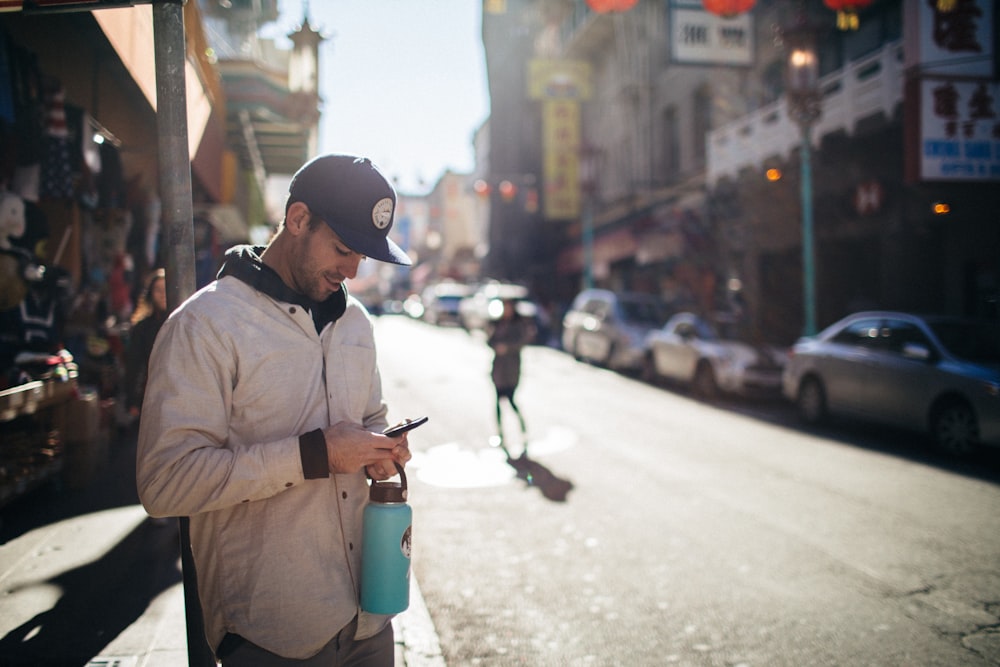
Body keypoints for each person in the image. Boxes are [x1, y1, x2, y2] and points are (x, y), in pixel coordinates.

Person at [135, 154, 414, 666]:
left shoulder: (356, 322)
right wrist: (315, 455)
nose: (353, 270)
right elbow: (164, 483)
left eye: (364, 258)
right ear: (298, 219)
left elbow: (371, 415)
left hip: (373, 616)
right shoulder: (206, 324)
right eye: (344, 249)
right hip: (274, 632)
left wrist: (382, 447)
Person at [487, 297, 536, 461]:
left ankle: (523, 430)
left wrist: (506, 347)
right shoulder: (498, 322)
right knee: (497, 402)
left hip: (511, 370)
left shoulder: (519, 324)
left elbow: (522, 341)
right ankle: (500, 434)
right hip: (498, 369)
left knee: (511, 401)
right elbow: (490, 341)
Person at [123, 268, 166, 419]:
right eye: (158, 290)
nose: (162, 294)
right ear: (151, 294)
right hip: (151, 396)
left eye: (166, 289)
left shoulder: (184, 324)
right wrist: (133, 401)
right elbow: (134, 365)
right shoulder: (142, 328)